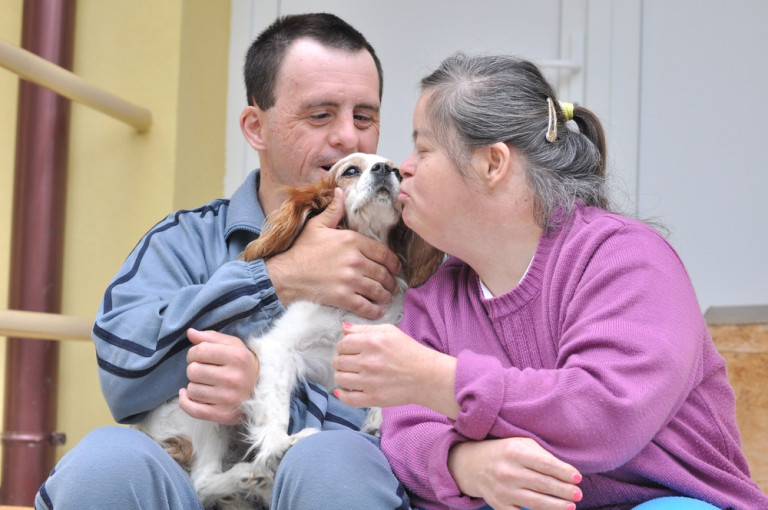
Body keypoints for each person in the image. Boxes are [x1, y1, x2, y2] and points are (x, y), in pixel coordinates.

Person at [35, 16, 580, 510]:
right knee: (106, 460)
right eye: (320, 115)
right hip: (189, 481)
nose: (347, 136)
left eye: (364, 116)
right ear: (256, 127)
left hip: (329, 478)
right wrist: (277, 279)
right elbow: (122, 372)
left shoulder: (423, 256)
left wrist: (272, 398)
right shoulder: (186, 239)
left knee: (334, 462)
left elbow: (420, 421)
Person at [333, 54, 768, 510]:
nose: (405, 167)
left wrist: (438, 379)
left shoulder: (626, 258)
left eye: (424, 150)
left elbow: (602, 415)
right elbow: (405, 434)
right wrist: (464, 464)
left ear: (492, 163)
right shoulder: (437, 296)